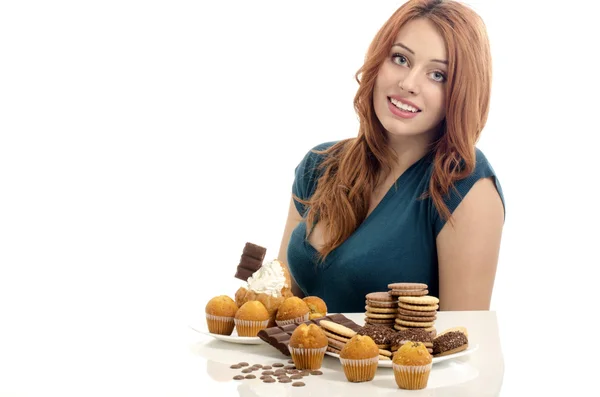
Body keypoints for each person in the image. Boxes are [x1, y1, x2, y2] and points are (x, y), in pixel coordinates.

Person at [277, 0, 505, 314]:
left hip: (398, 365)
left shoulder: (465, 185)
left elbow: (462, 347)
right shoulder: (318, 165)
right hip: (296, 364)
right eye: (400, 58)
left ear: (462, 93)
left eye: (438, 75)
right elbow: (278, 306)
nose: (408, 84)